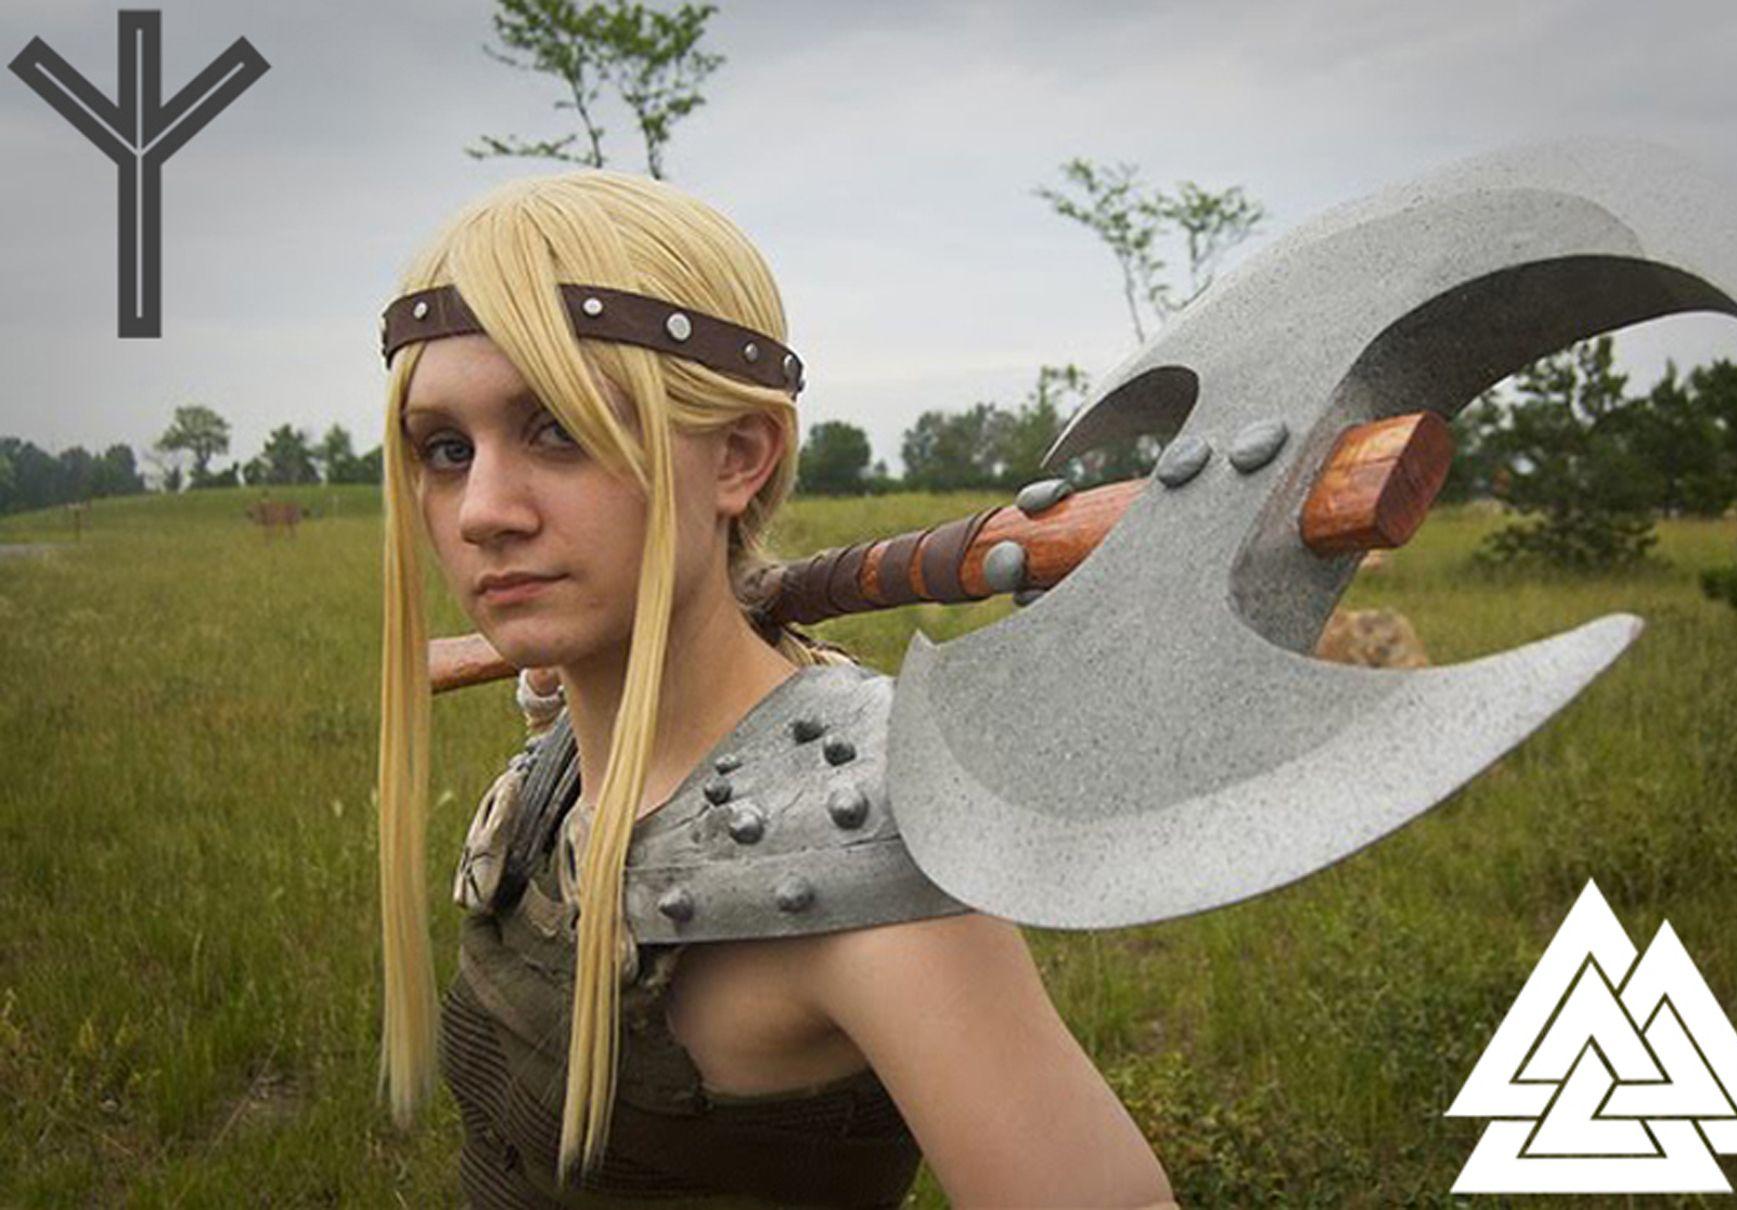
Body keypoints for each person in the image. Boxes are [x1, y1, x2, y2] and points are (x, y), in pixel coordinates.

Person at [374, 169, 1177, 1208]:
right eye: (446, 449)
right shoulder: (556, 769)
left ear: (739, 456)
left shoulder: (853, 839)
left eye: (558, 428)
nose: (481, 509)